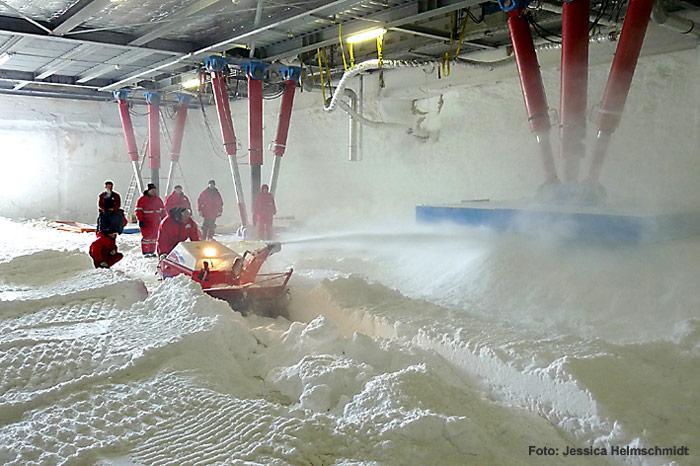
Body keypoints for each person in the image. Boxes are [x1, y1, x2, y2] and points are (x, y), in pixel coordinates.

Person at [135, 183, 165, 257]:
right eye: (152, 190)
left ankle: (152, 251)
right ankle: (145, 252)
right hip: (146, 222)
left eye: (155, 190)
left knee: (154, 237)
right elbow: (138, 211)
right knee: (147, 237)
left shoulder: (158, 200)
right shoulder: (142, 200)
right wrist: (140, 220)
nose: (154, 192)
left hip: (156, 222)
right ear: (149, 190)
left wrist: (163, 219)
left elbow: (163, 210)